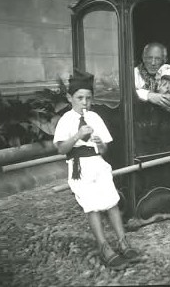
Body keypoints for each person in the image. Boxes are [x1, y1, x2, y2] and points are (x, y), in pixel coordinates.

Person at [53, 70, 139, 270]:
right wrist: (77, 135)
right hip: (79, 168)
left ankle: (122, 242)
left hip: (98, 164)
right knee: (92, 206)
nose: (85, 103)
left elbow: (104, 149)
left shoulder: (95, 118)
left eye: (88, 98)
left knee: (111, 201)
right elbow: (60, 149)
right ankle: (104, 246)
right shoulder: (66, 120)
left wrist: (100, 144)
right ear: (69, 98)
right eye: (80, 98)